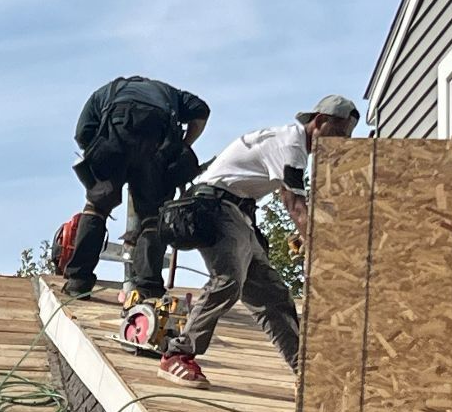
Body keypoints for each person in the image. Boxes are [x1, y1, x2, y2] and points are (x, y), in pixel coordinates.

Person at [159, 95, 359, 388]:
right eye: (339, 133)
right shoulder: (291, 145)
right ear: (319, 122)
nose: (340, 142)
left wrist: (307, 234)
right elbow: (295, 205)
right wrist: (319, 251)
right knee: (228, 280)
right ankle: (177, 355)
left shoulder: (287, 145)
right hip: (215, 206)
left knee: (273, 297)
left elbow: (286, 196)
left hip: (238, 214)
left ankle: (308, 375)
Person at [63, 76, 210, 299]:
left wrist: (101, 161)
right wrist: (183, 145)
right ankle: (149, 288)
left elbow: (83, 133)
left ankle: (78, 282)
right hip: (156, 137)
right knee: (153, 216)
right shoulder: (171, 93)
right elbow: (202, 111)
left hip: (115, 131)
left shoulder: (106, 91)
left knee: (96, 207)